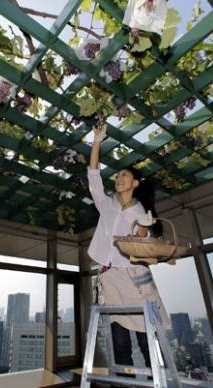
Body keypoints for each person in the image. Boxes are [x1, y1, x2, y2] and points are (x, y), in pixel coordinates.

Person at [87, 123, 167, 372]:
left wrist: (143, 231)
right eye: (118, 175)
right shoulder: (106, 204)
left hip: (135, 279)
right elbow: (93, 177)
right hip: (110, 277)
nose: (119, 178)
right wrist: (96, 142)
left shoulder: (141, 212)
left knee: (147, 339)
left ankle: (160, 378)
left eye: (124, 175)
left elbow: (141, 245)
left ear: (135, 183)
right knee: (120, 343)